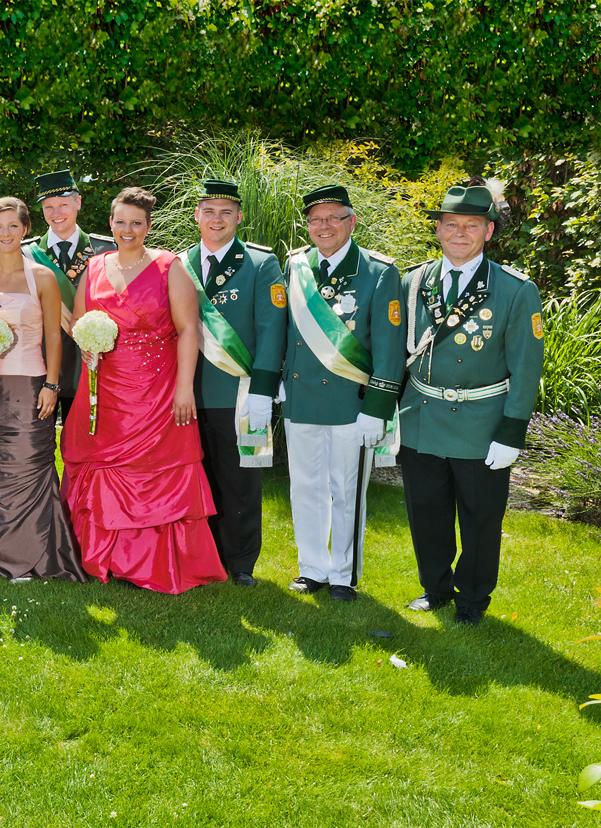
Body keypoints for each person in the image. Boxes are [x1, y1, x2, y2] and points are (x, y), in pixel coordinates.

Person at [60, 187, 224, 594]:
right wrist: (87, 348)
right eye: (120, 221)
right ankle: (101, 557)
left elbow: (188, 330)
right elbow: (80, 323)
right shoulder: (94, 267)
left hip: (156, 391)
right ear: (110, 223)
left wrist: (184, 388)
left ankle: (153, 562)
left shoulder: (170, 267)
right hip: (103, 392)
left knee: (155, 473)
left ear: (148, 226)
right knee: (99, 469)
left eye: (136, 223)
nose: (127, 229)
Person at [398, 185, 543, 625]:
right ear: (438, 230)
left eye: (471, 225)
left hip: (482, 424)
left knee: (480, 519)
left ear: (488, 231)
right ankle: (435, 588)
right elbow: (396, 353)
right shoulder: (413, 282)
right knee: (427, 512)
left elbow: (526, 366)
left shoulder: (514, 290)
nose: (460, 233)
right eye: (451, 224)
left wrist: (512, 431)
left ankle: (473, 600)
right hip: (422, 418)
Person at [281, 185, 405, 602]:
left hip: (353, 403)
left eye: (334, 218)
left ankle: (342, 574)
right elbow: (287, 330)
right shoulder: (296, 265)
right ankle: (312, 569)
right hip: (301, 398)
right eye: (316, 219)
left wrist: (378, 406)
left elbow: (389, 348)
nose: (324, 226)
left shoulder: (379, 272)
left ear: (351, 221)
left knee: (346, 490)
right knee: (305, 486)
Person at [0, 197, 82, 582]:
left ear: (25, 229)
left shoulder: (42, 277)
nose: (6, 233)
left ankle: (33, 551)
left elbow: (54, 338)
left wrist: (52, 385)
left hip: (29, 385)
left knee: (27, 463)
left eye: (13, 226)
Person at [181, 180, 287, 586]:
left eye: (226, 212)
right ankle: (205, 555)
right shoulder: (179, 263)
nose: (217, 219)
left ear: (239, 217)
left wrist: (263, 390)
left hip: (239, 394)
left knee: (240, 482)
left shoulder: (260, 264)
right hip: (188, 393)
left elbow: (272, 330)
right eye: (209, 211)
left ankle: (240, 563)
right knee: (197, 478)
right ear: (197, 216)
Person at [21, 170, 115, 413]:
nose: (56, 213)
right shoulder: (26, 254)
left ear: (78, 203)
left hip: (90, 363)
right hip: (41, 365)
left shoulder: (105, 250)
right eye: (49, 207)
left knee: (86, 434)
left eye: (63, 204)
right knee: (37, 435)